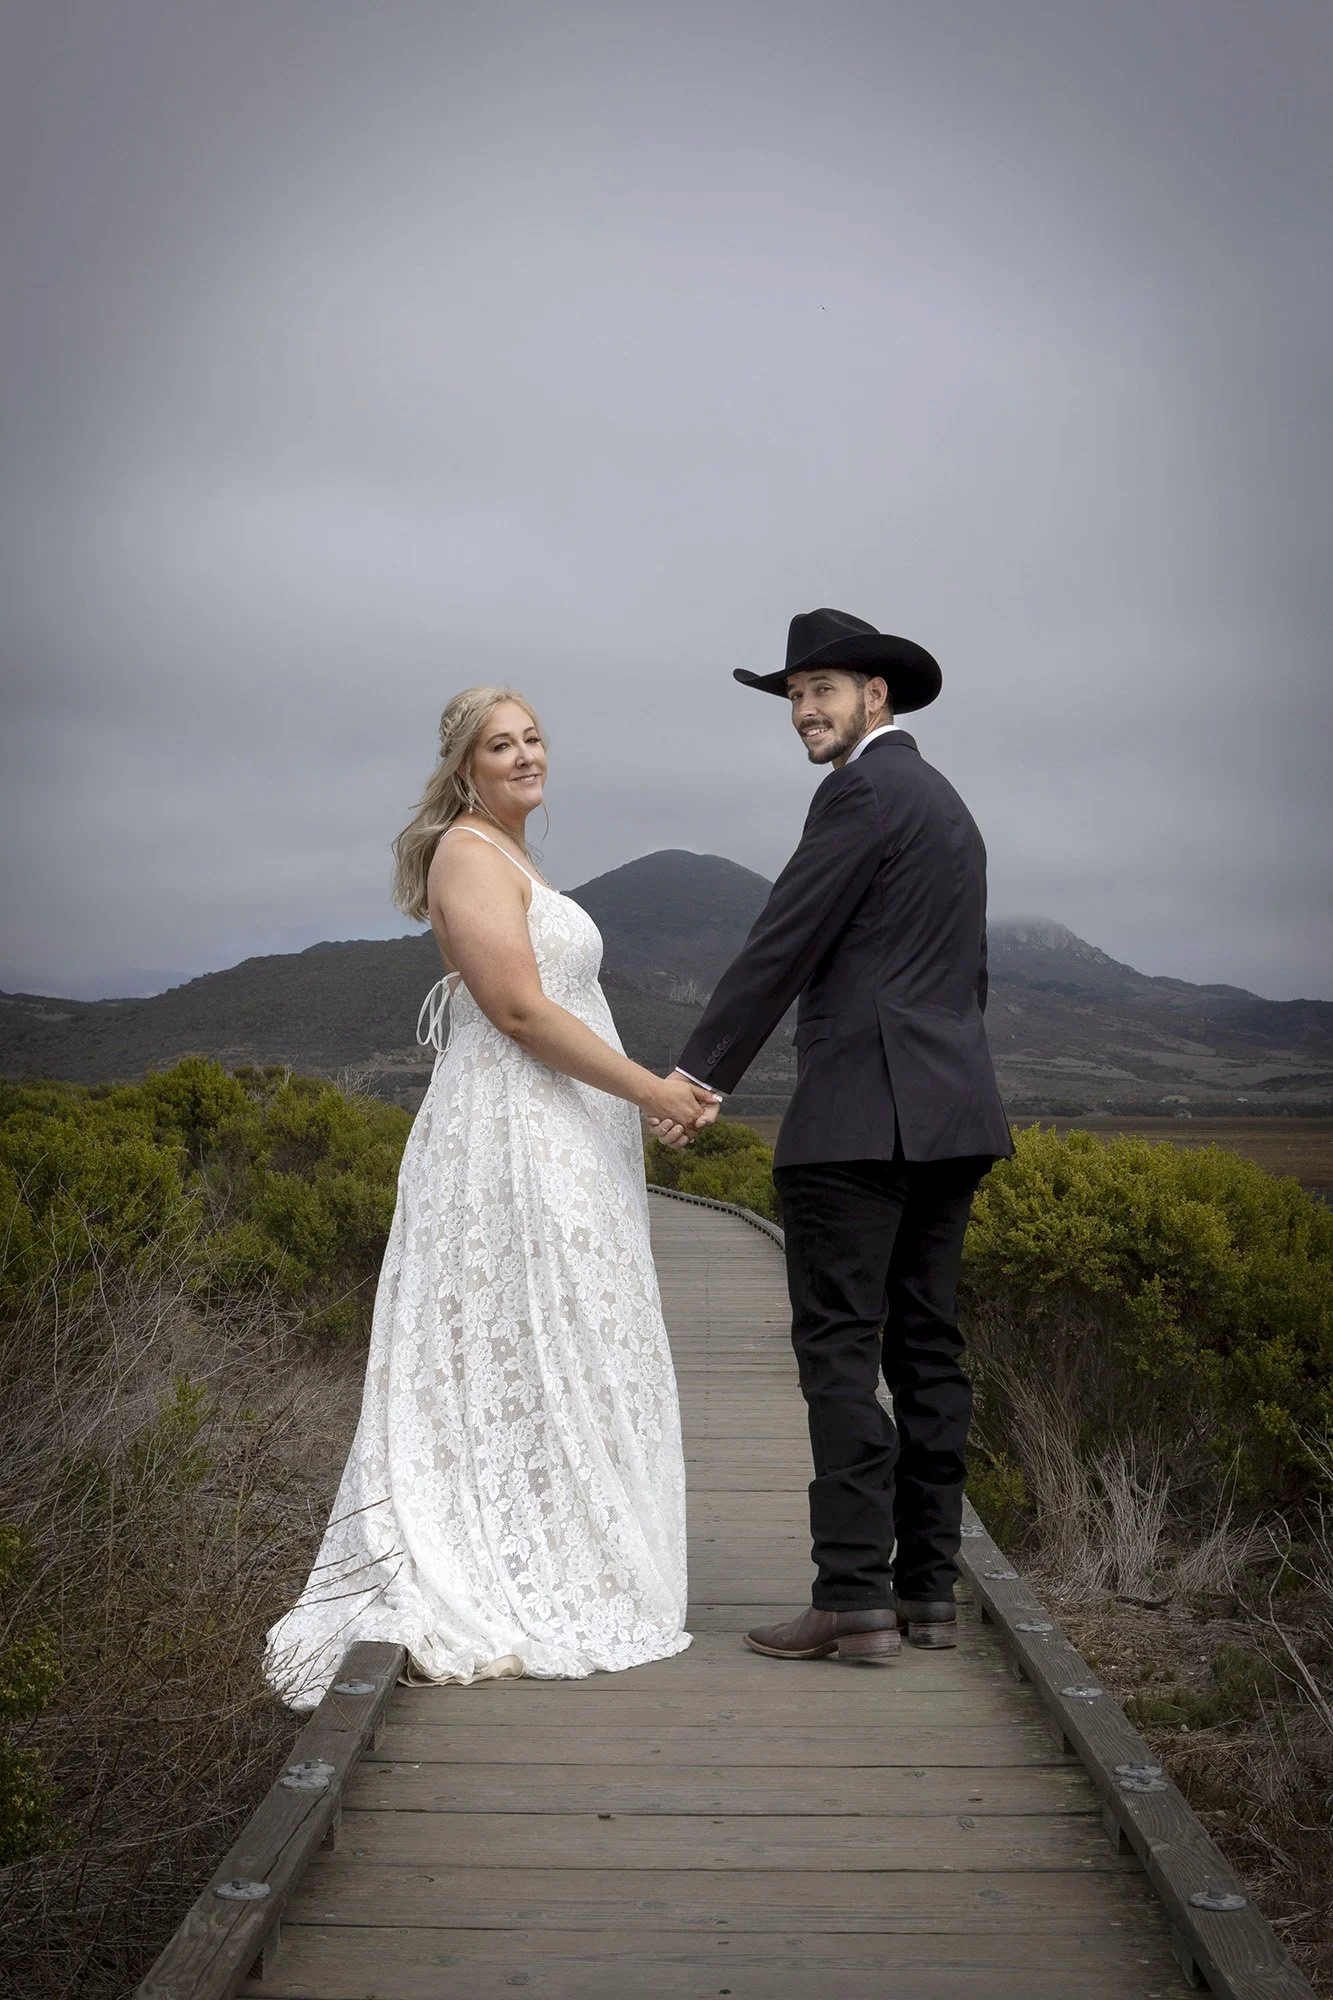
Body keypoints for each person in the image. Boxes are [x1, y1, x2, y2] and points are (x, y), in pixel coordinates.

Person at [264, 687, 714, 1707]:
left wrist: (638, 1095)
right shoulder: (466, 851)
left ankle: (559, 1546)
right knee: (533, 1332)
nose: (523, 755)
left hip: (563, 1130)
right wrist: (649, 1087)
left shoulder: (512, 855)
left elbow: (559, 998)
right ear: (464, 768)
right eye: (499, 744)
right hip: (512, 1134)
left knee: (561, 1335)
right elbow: (515, 1006)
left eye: (532, 738)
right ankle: (506, 1561)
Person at [673, 608, 1013, 1666]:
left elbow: (784, 938)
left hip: (853, 1125)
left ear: (878, 695)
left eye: (821, 688)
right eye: (792, 694)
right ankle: (928, 1595)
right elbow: (968, 977)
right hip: (952, 1118)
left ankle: (851, 1595)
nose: (803, 710)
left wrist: (696, 1075)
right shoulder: (949, 806)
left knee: (837, 1353)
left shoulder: (858, 789)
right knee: (926, 1351)